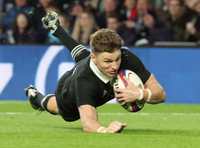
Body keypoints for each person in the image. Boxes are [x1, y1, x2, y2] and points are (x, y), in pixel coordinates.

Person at [25, 11, 166, 133]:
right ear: (94, 58)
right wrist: (105, 130)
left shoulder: (126, 58)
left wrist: (140, 94)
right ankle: (36, 98)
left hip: (89, 65)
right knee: (59, 109)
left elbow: (160, 93)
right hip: (68, 90)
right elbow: (88, 122)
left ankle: (57, 29)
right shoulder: (84, 81)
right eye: (108, 61)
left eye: (117, 59)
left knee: (83, 56)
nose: (115, 66)